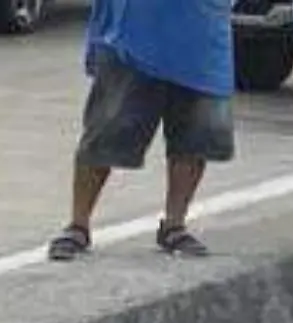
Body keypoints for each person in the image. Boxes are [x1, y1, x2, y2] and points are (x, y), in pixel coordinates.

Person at [47, 0, 236, 262]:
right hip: (132, 35)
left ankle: (174, 224)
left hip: (202, 36)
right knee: (105, 130)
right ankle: (78, 225)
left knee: (197, 136)